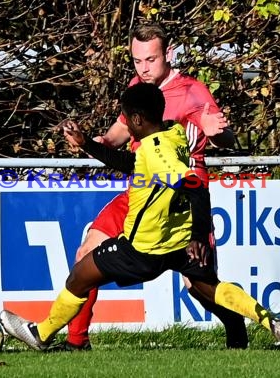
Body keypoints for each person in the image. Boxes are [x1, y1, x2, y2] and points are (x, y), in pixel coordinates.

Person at [0, 83, 280, 354]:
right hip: (178, 243)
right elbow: (133, 163)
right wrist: (88, 145)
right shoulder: (174, 132)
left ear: (136, 119)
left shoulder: (155, 150)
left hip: (143, 249)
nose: (125, 128)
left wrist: (201, 233)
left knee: (79, 275)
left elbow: (194, 184)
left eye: (126, 120)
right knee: (209, 285)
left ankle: (41, 335)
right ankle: (272, 322)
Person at [61, 22, 246, 351]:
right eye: (137, 60)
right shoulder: (138, 86)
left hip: (181, 200)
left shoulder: (193, 91)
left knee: (198, 283)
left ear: (169, 54)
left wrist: (220, 134)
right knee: (85, 252)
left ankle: (235, 325)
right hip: (140, 192)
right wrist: (95, 142)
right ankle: (76, 342)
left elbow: (223, 136)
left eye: (151, 60)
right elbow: (118, 135)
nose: (143, 68)